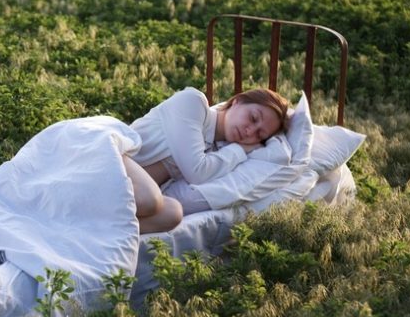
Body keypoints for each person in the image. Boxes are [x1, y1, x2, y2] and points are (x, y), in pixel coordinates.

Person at [123, 87, 290, 234]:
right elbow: (197, 172)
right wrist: (240, 150)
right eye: (253, 118)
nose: (250, 131)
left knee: (173, 213)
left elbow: (278, 155)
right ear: (237, 101)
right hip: (114, 159)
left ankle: (103, 223)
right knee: (150, 199)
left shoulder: (216, 153)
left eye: (259, 135)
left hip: (130, 188)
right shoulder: (193, 103)